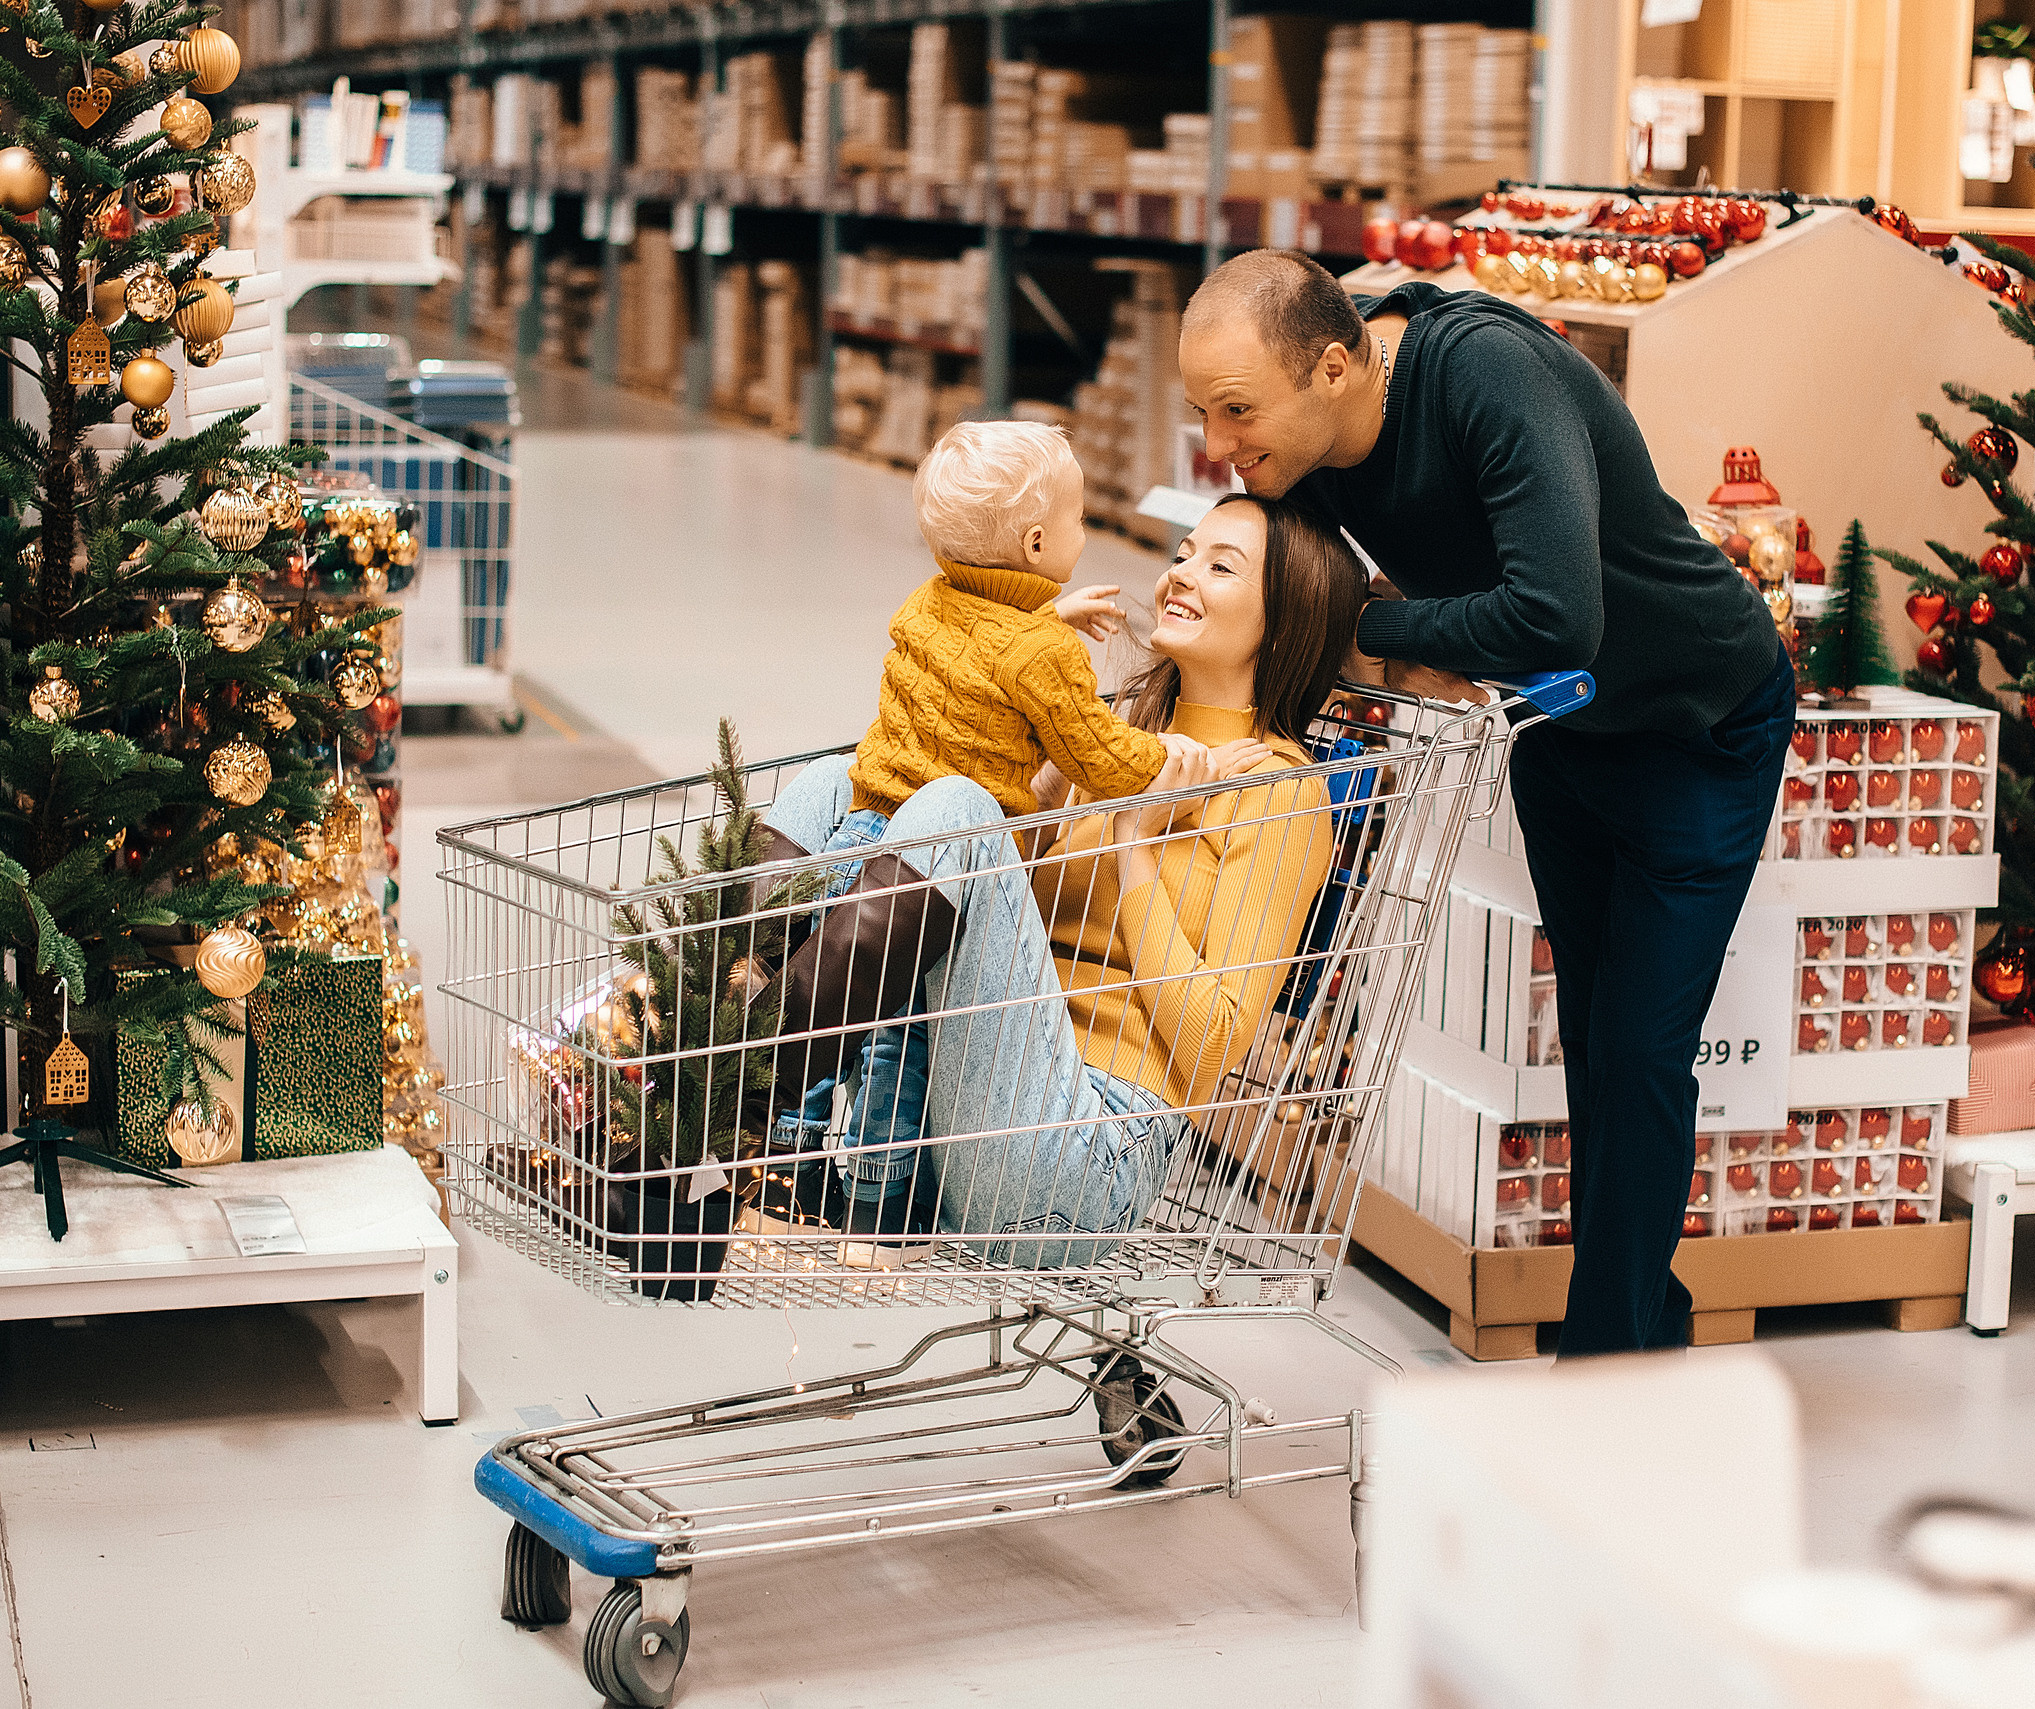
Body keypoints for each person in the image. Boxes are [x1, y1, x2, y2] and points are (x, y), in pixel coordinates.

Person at [1177, 248, 1793, 1356]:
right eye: (1203, 412)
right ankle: (1646, 1323)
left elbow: (1557, 619)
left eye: (1235, 410)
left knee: (1643, 1047)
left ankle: (1603, 1365)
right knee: (1598, 1042)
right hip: (1563, 731)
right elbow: (1294, 596)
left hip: (1699, 722)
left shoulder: (1485, 376)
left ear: (1332, 366)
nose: (1217, 445)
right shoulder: (1305, 448)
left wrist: (1377, 623)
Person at [758, 494, 1362, 1265]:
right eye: (1183, 552)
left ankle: (747, 1070)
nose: (1180, 575)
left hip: (1082, 1151)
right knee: (832, 784)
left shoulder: (1279, 790)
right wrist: (1034, 729)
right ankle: (728, 1044)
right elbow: (986, 913)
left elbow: (1211, 1048)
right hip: (964, 1095)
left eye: (1220, 566)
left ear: (1283, 623)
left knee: (955, 805)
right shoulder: (1114, 745)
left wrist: (1131, 840)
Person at [754, 419, 1207, 1157]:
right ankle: (879, 1202)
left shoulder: (926, 603)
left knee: (825, 1004)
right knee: (901, 1038)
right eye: (1079, 518)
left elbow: (978, 655)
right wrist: (1171, 757)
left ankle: (786, 1148)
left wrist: (1045, 617)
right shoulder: (1045, 652)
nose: (1085, 531)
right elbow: (1098, 755)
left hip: (861, 834)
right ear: (1035, 546)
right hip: (931, 868)